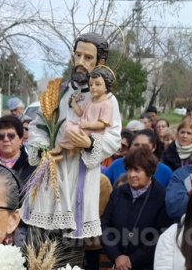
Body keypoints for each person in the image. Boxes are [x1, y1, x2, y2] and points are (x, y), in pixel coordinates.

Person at [22, 32, 122, 245]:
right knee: (38, 243)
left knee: (69, 254)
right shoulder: (57, 91)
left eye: (88, 58)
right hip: (51, 173)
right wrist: (42, 150)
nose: (81, 62)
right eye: (78, 55)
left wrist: (89, 144)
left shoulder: (107, 100)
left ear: (100, 62)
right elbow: (38, 126)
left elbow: (114, 138)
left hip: (79, 176)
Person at [100, 148, 170, 270]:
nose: (132, 175)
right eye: (129, 169)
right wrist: (117, 256)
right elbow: (105, 225)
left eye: (137, 170)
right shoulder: (118, 193)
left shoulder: (161, 196)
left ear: (149, 171)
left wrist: (131, 260)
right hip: (118, 269)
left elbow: (159, 236)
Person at [0, 115, 35, 191]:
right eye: (1, 136)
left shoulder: (32, 166)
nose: (6, 139)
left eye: (11, 136)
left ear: (21, 139)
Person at [102, 129, 173, 188]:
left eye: (144, 146)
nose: (139, 149)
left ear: (154, 148)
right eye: (136, 145)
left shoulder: (165, 171)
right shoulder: (117, 165)